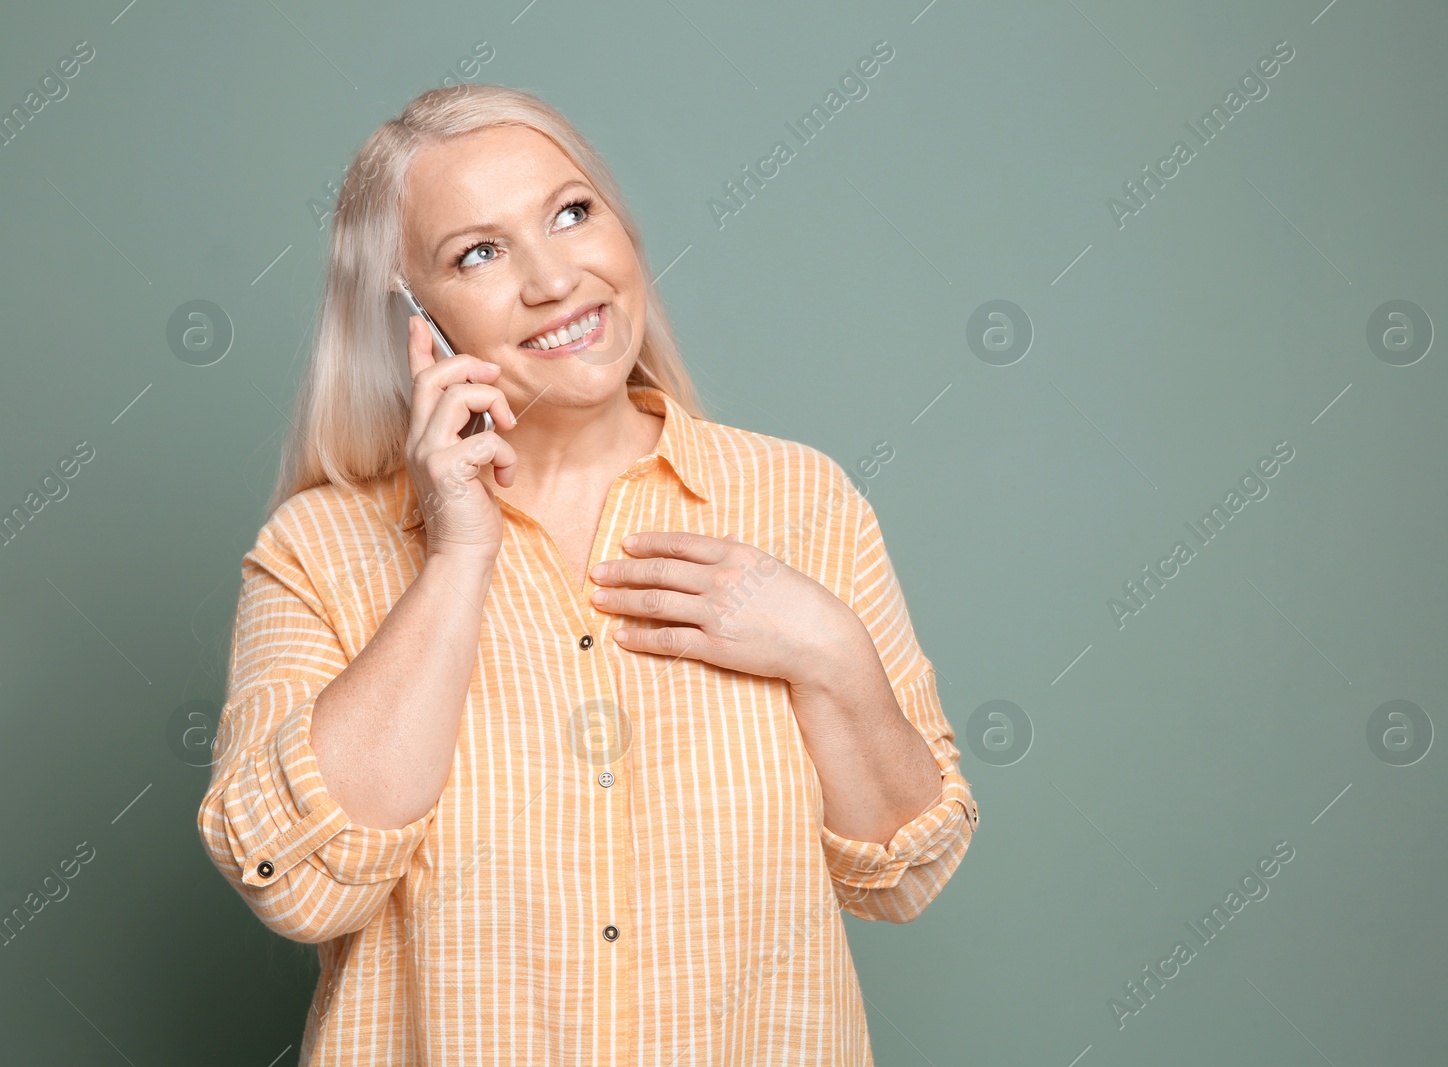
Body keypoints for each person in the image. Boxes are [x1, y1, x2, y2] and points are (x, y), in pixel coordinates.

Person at [196, 83, 977, 1066]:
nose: (555, 277)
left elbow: (905, 872)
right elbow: (302, 884)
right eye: (477, 253)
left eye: (571, 213)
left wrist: (829, 653)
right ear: (412, 318)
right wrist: (456, 555)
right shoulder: (320, 548)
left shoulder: (800, 500)